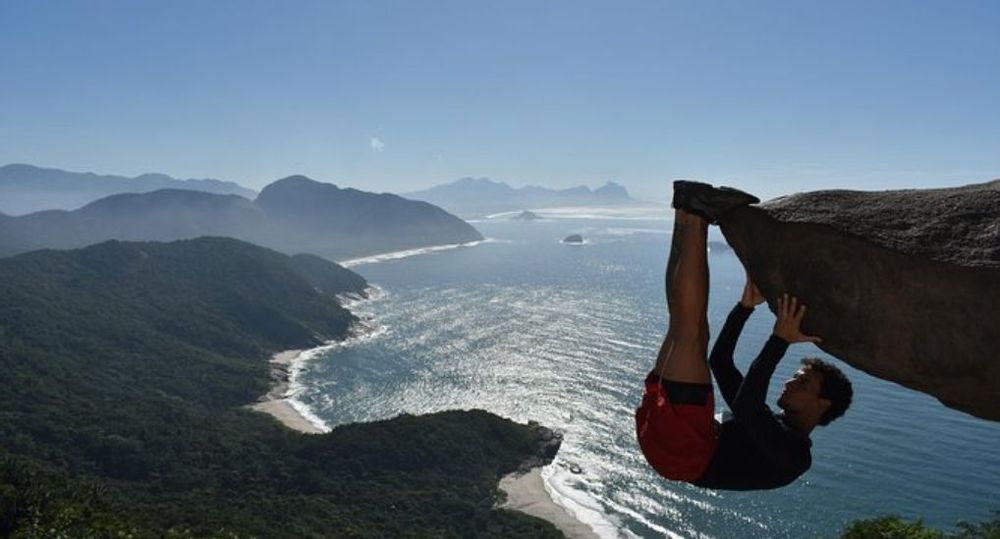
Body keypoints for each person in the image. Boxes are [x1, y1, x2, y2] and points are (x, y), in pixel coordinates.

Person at [635, 180, 853, 490]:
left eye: (803, 383)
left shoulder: (795, 455)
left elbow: (749, 406)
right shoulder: (772, 423)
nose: (791, 381)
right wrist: (744, 308)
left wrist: (779, 341)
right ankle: (685, 213)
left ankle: (696, 209)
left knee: (689, 331)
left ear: (822, 405)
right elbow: (720, 362)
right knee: (684, 325)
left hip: (686, 452)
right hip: (670, 441)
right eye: (797, 376)